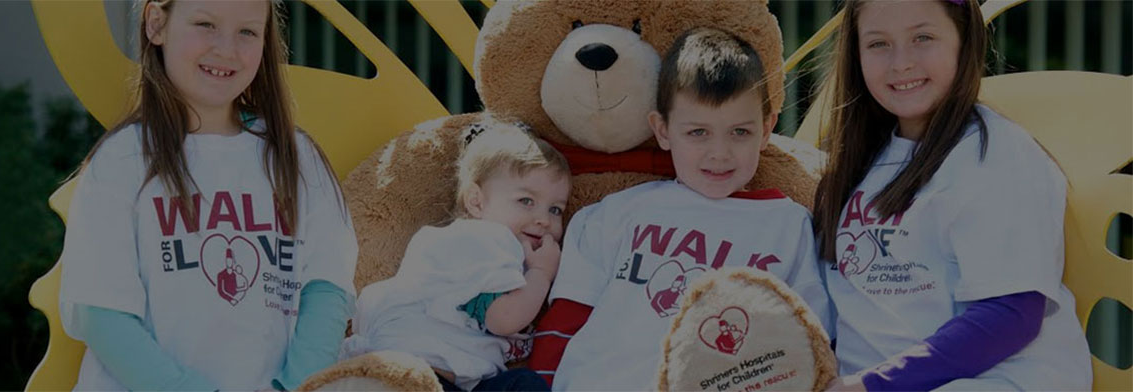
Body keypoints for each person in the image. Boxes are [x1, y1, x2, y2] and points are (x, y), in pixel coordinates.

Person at [57, 0, 357, 390]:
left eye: (247, 31)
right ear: (156, 24)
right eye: (205, 24)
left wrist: (294, 387)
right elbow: (100, 313)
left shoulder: (298, 158)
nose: (226, 49)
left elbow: (328, 289)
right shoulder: (122, 160)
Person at [527, 27, 832, 391]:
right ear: (663, 130)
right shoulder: (618, 214)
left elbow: (809, 340)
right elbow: (565, 320)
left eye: (739, 132)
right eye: (698, 132)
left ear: (766, 130)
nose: (719, 153)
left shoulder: (788, 224)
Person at [812, 1, 1092, 390]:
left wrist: (873, 386)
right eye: (878, 44)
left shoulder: (996, 156)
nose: (901, 62)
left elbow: (1010, 315)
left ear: (965, 40)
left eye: (923, 37)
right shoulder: (859, 164)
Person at [342, 119, 570, 392]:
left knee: (522, 383)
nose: (543, 220)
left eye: (555, 209)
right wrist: (541, 274)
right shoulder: (488, 241)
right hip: (421, 376)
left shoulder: (460, 246)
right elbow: (504, 318)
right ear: (476, 201)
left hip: (445, 378)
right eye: (526, 201)